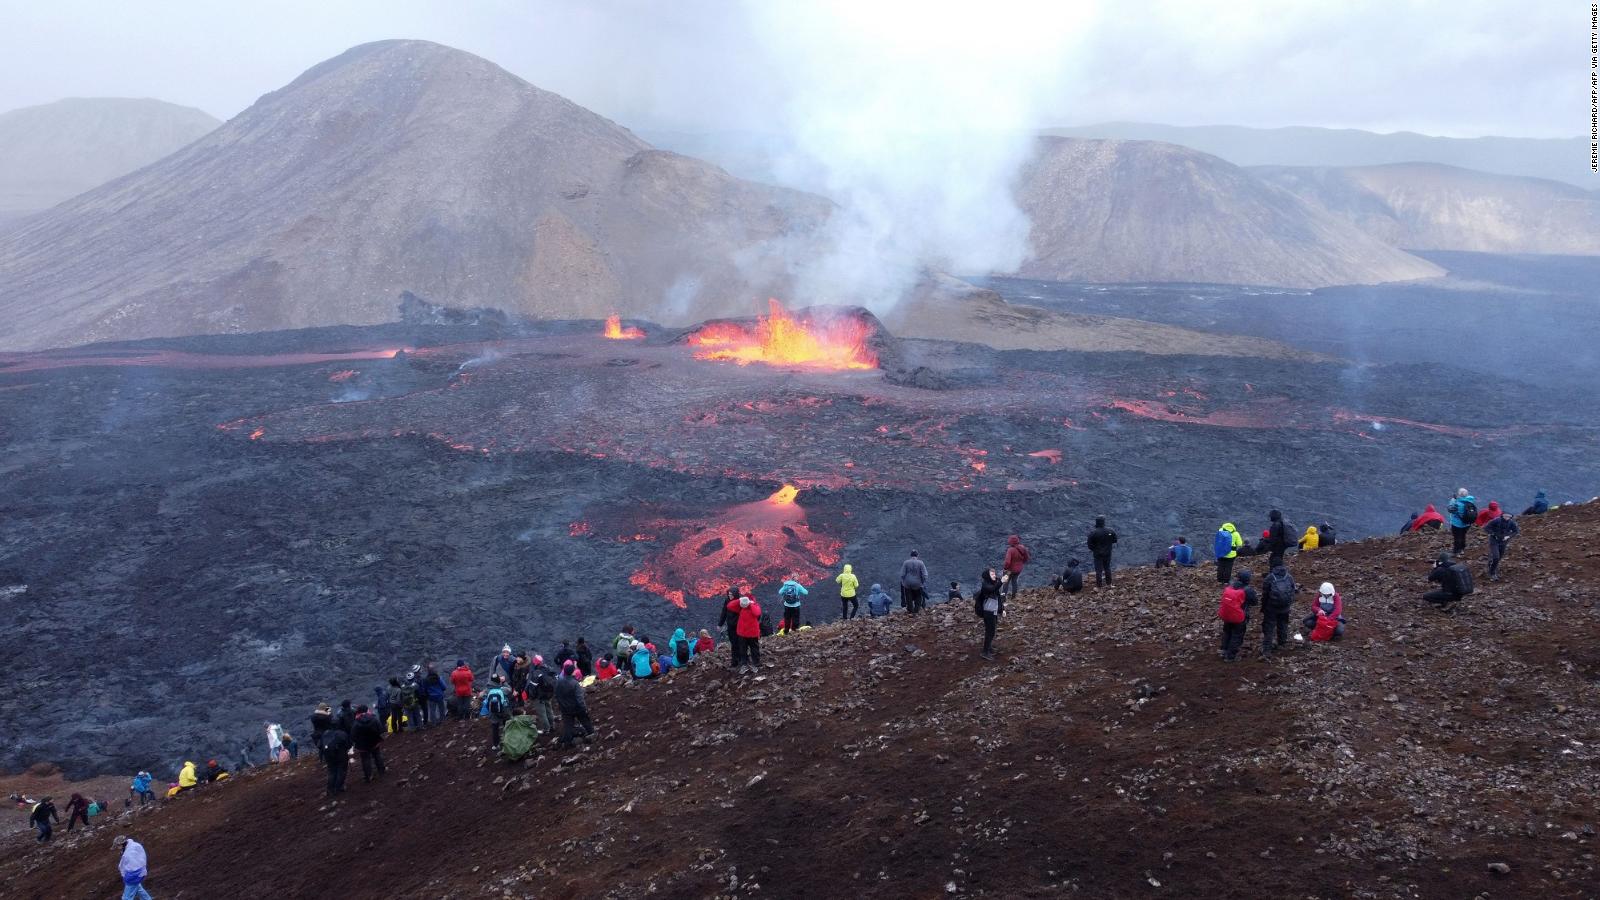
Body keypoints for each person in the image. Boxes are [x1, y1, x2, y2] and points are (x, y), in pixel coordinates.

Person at [1217, 570, 1257, 662]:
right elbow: (1254, 602)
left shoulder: (1230, 586)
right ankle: (1230, 656)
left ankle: (1224, 650)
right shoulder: (1247, 590)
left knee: (1227, 632)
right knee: (1237, 635)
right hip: (1239, 616)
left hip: (1226, 615)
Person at [1259, 564, 1298, 659]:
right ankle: (1282, 643)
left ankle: (1267, 650)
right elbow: (1293, 590)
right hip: (1285, 607)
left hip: (1271, 608)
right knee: (1283, 625)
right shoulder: (1289, 576)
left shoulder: (1270, 577)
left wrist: (1263, 607)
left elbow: (1265, 594)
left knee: (1269, 627)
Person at [555, 660, 595, 747]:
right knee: (585, 720)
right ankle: (592, 734)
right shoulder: (575, 683)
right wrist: (584, 708)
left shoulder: (559, 682)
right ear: (573, 672)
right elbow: (579, 698)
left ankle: (567, 743)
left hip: (565, 708)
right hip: (576, 708)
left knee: (568, 725)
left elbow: (557, 695)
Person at [727, 592, 764, 674]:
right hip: (742, 633)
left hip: (752, 633)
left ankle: (756, 663)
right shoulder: (741, 607)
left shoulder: (754, 606)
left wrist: (751, 604)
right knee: (743, 649)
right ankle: (744, 663)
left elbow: (757, 613)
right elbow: (729, 605)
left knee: (754, 648)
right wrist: (739, 600)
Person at [973, 568, 1005, 660]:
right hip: (988, 611)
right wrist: (1001, 582)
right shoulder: (986, 585)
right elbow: (992, 589)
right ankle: (985, 652)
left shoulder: (993, 583)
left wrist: (1001, 609)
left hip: (993, 610)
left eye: (994, 574)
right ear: (988, 576)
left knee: (992, 630)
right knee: (990, 631)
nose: (994, 575)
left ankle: (989, 647)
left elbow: (998, 597)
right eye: (992, 574)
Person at [351, 704, 386, 780]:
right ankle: (381, 770)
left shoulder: (356, 722)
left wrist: (357, 742)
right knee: (377, 755)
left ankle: (368, 775)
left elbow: (353, 736)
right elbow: (380, 729)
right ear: (367, 710)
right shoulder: (373, 718)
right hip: (374, 741)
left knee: (365, 759)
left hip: (362, 745)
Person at [1484, 508, 1521, 580]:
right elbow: (1486, 528)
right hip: (1494, 541)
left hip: (1504, 542)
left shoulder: (1511, 523)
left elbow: (1516, 531)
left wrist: (1508, 536)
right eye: (1505, 516)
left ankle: (1491, 565)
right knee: (1496, 557)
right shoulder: (1496, 521)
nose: (1507, 518)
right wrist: (1493, 534)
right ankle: (1492, 573)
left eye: (1509, 517)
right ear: (1502, 515)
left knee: (1499, 557)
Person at [318, 722, 352, 797]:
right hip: (341, 755)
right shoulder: (342, 734)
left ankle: (330, 789)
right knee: (341, 770)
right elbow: (349, 745)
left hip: (329, 757)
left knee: (332, 771)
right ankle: (339, 787)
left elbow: (319, 745)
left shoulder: (325, 734)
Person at [114, 835, 153, 900]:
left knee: (126, 897)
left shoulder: (129, 854)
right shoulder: (134, 846)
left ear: (121, 844)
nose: (117, 848)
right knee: (138, 889)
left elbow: (133, 868)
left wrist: (127, 877)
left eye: (117, 846)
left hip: (133, 875)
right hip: (137, 873)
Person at [481, 675, 512, 751]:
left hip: (493, 712)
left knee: (495, 727)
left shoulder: (488, 690)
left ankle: (495, 745)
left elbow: (482, 696)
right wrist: (504, 682)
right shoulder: (502, 689)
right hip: (503, 710)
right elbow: (510, 690)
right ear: (499, 680)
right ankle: (507, 742)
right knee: (506, 724)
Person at [527, 656, 557, 733]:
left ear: (535, 663)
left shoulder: (536, 672)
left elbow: (533, 687)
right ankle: (552, 726)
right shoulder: (549, 669)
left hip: (539, 696)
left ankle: (546, 729)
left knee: (542, 713)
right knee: (549, 710)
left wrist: (532, 697)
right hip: (549, 694)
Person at [1087, 516, 1118, 586]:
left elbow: (1089, 545)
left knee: (1098, 570)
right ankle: (1109, 583)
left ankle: (1099, 585)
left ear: (1096, 523)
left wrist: (1095, 549)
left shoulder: (1093, 533)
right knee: (1107, 568)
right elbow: (1115, 540)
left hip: (1098, 554)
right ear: (1104, 522)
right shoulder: (1110, 531)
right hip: (1108, 553)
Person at [1447, 488, 1478, 555]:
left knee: (1457, 537)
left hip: (1457, 524)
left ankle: (1456, 551)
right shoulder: (1470, 501)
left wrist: (1453, 500)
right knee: (1463, 535)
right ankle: (1462, 549)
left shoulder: (1457, 503)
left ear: (1459, 494)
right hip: (1467, 523)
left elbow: (1450, 509)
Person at [900, 550, 929, 614]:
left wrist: (903, 582)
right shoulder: (921, 563)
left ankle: (910, 610)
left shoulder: (906, 562)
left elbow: (902, 574)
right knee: (918, 596)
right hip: (918, 583)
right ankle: (916, 610)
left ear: (910, 555)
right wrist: (923, 582)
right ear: (917, 555)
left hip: (907, 583)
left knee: (908, 596)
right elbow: (925, 574)